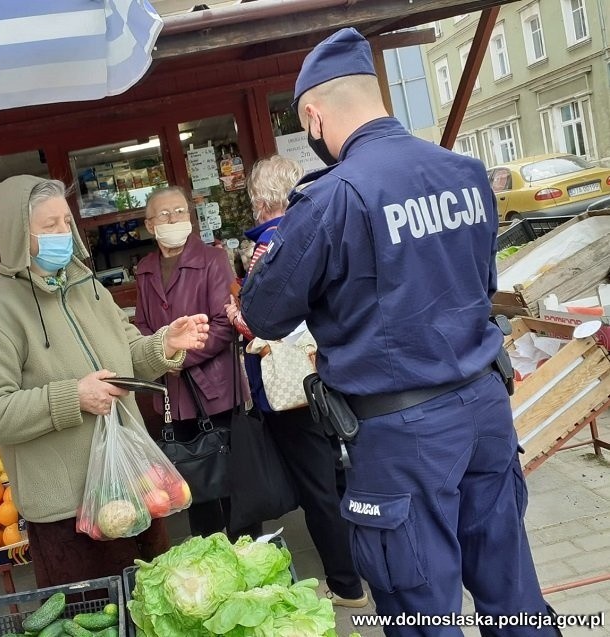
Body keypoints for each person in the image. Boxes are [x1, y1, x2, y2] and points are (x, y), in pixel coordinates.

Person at [240, 29, 560, 636]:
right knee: (511, 587)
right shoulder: (465, 173)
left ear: (313, 114)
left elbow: (263, 314)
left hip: (400, 434)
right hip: (485, 410)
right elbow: (480, 281)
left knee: (421, 609)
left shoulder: (332, 197)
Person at [0, 176, 210, 588]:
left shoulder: (88, 288)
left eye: (65, 221)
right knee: (94, 622)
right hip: (68, 515)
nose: (63, 233)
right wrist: (72, 397)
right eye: (48, 225)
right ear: (16, 234)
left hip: (135, 487)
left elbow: (126, 355)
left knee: (159, 612)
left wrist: (162, 345)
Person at [225, 155, 367, 608]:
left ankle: (346, 584)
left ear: (260, 199)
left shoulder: (271, 246)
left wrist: (236, 316)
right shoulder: (315, 235)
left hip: (292, 389)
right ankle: (364, 563)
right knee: (339, 477)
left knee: (317, 489)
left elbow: (266, 319)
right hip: (325, 374)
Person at [134, 186, 260, 540]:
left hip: (216, 389)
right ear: (149, 225)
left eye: (179, 212)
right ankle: (210, 556)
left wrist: (178, 355)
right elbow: (142, 328)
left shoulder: (211, 259)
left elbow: (223, 325)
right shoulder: (144, 270)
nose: (174, 219)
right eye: (165, 214)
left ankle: (248, 551)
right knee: (195, 485)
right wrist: (161, 353)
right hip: (174, 398)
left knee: (234, 481)